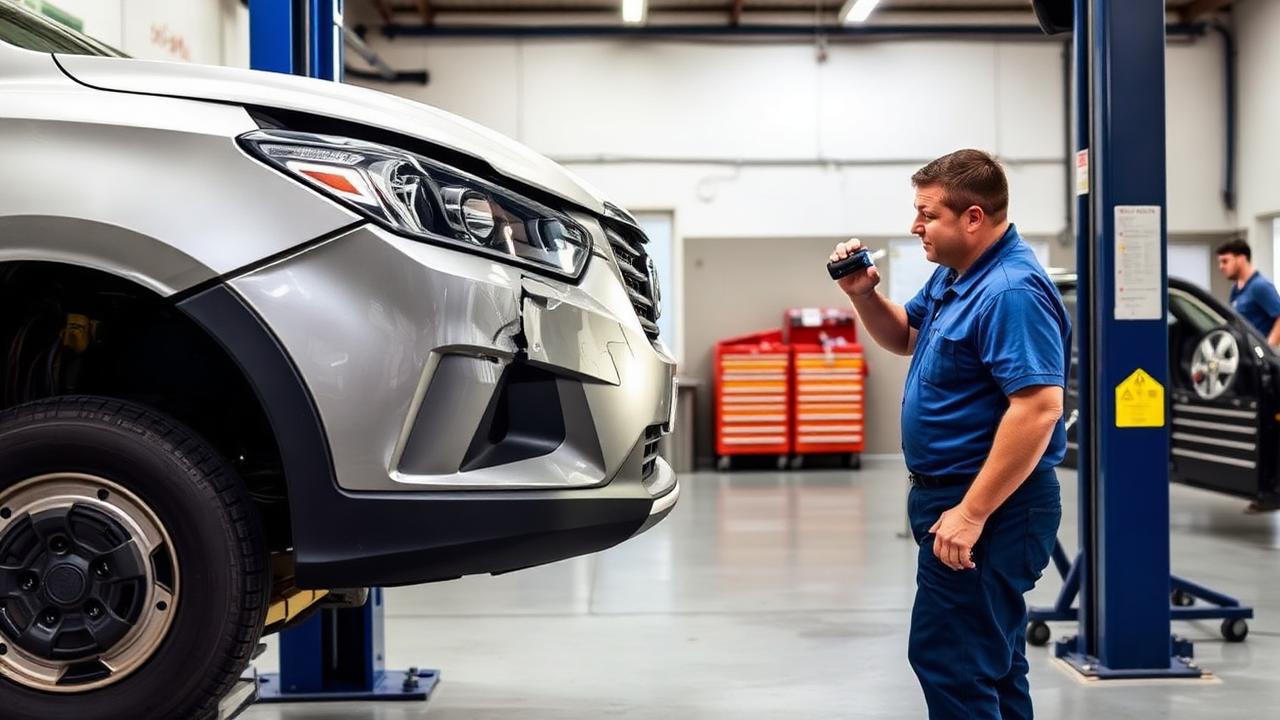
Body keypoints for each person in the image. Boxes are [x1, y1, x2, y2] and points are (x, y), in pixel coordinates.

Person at [829, 149, 1069, 719]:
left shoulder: (1010, 291)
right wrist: (863, 293)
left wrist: (972, 513)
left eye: (927, 214)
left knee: (951, 661)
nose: (915, 226)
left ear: (973, 218)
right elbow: (906, 336)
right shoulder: (957, 275)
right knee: (993, 662)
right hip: (955, 500)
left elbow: (1038, 409)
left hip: (988, 507)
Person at [1216, 238, 1280, 347]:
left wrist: (1268, 350)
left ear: (1241, 259)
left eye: (1225, 261)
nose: (1221, 267)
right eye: (1220, 262)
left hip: (1258, 354)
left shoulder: (1260, 286)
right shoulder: (1235, 289)